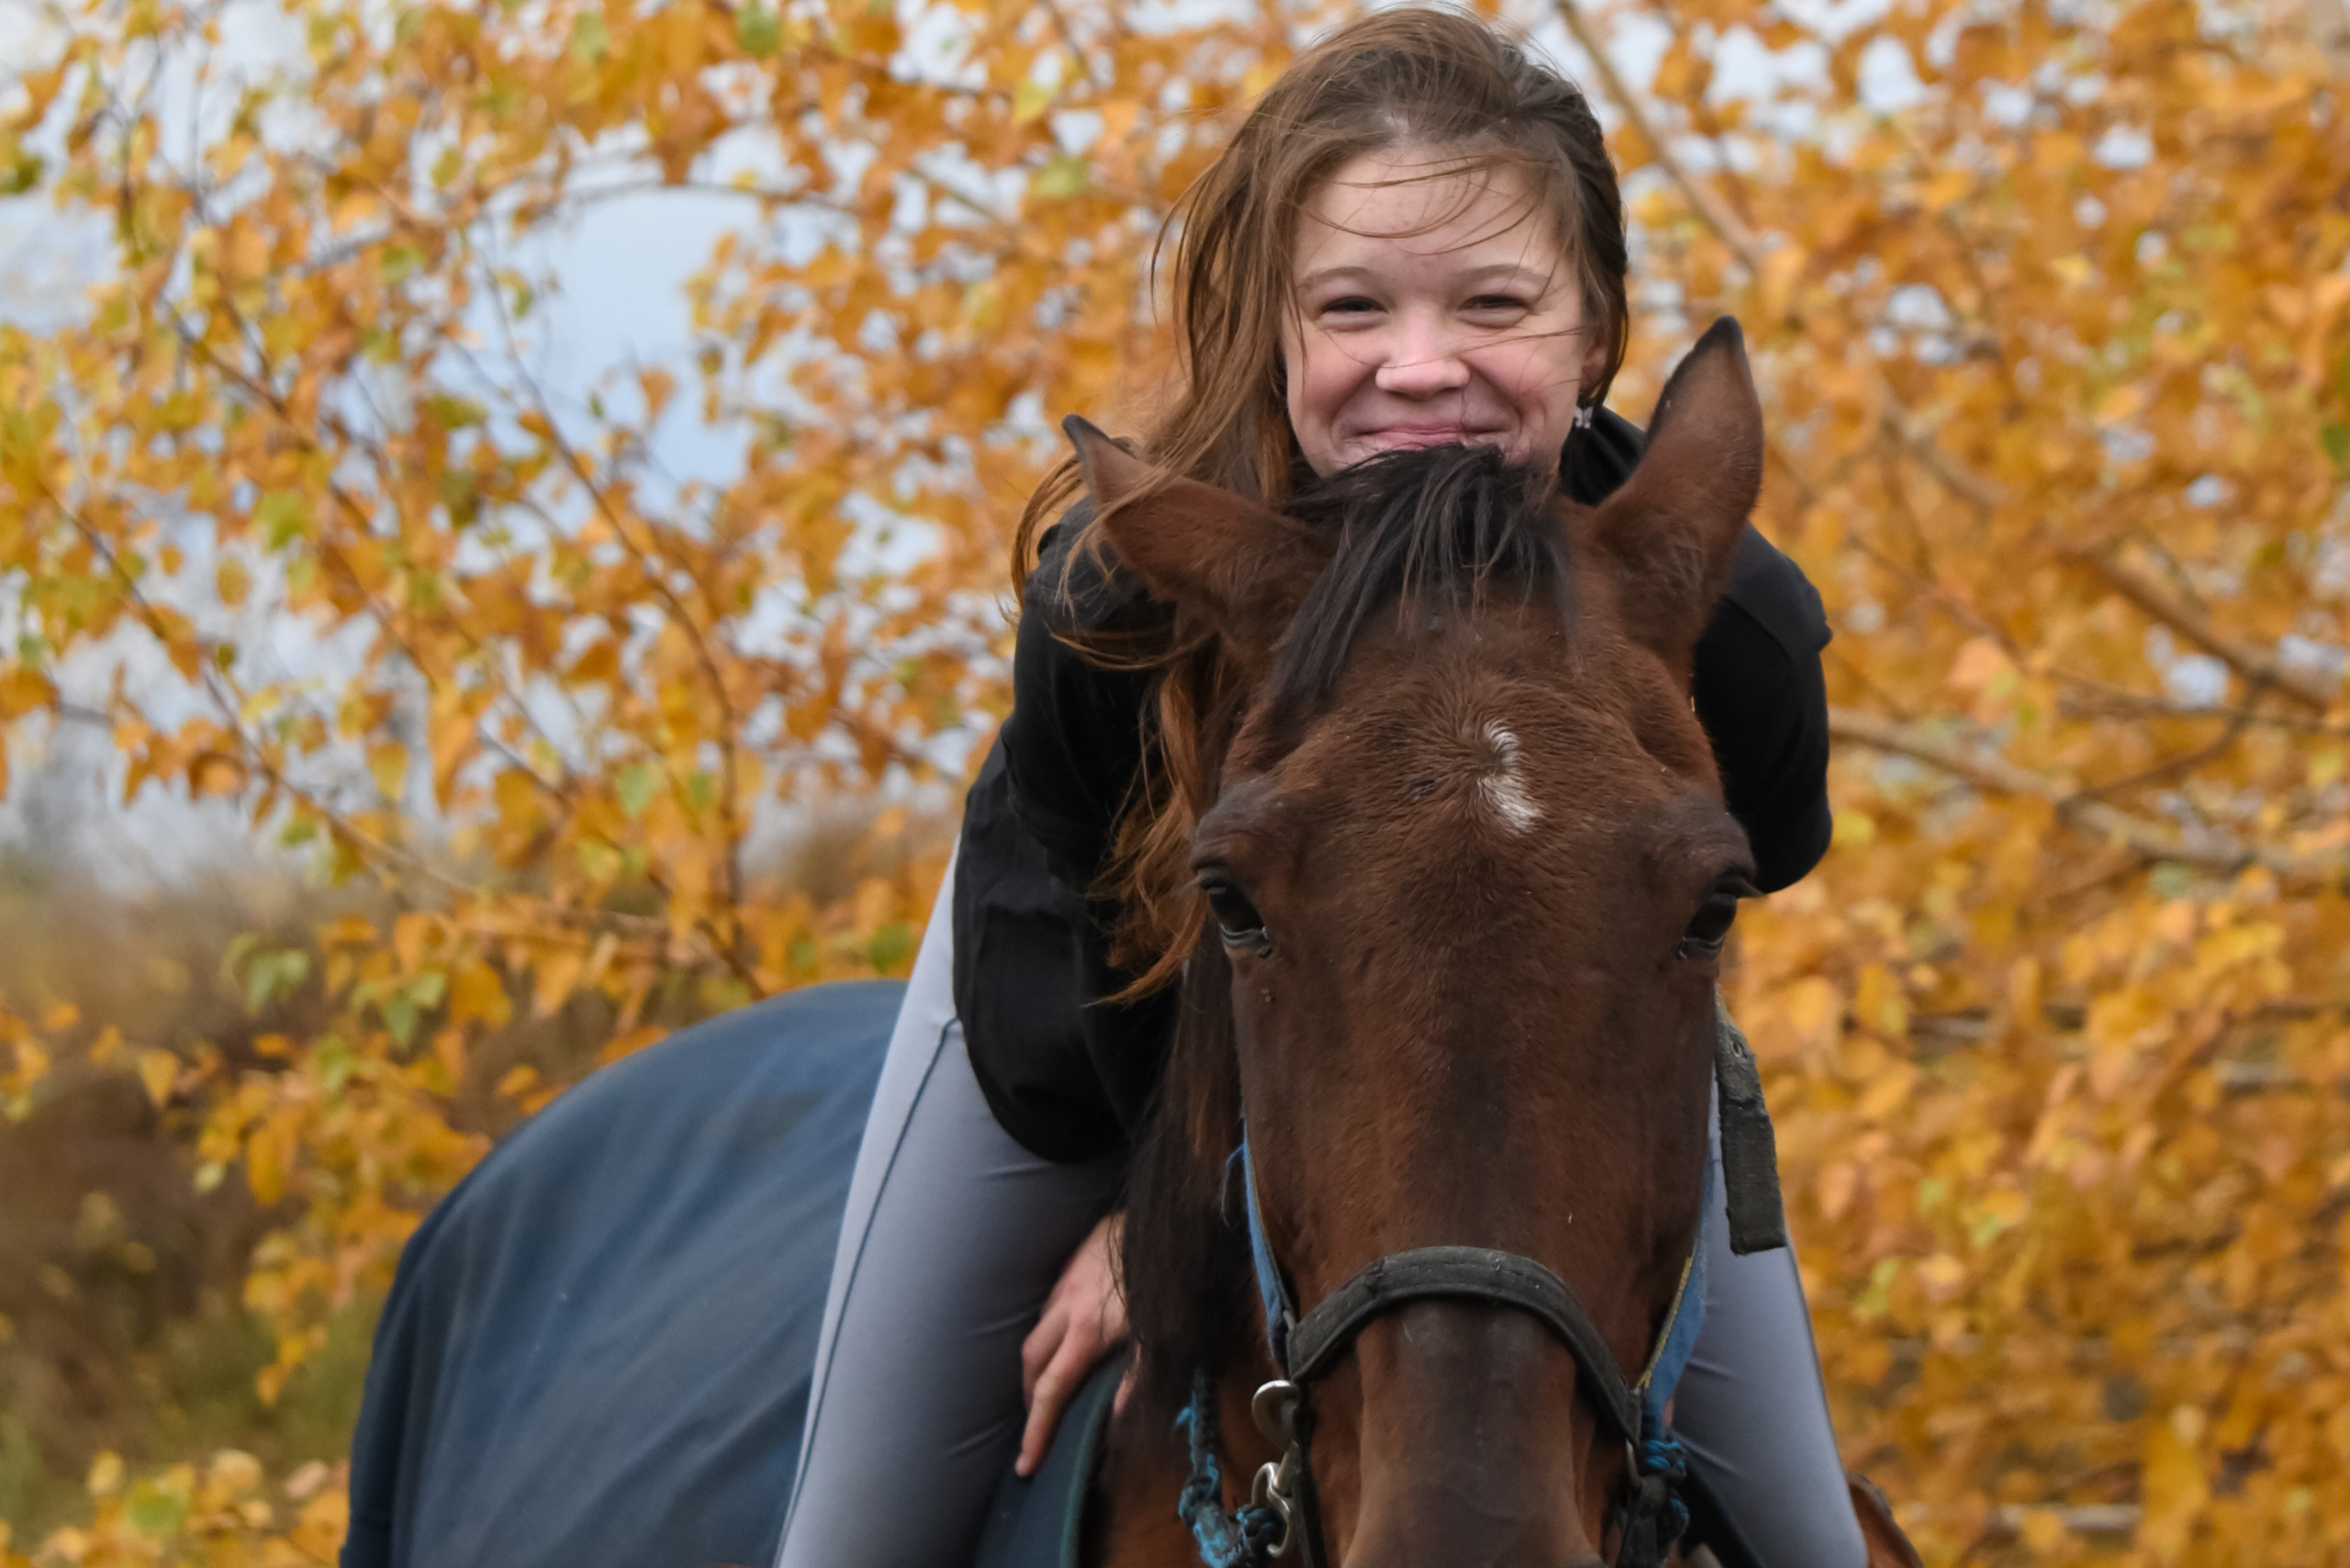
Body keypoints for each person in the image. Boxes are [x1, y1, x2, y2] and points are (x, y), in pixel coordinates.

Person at [774, 10, 1867, 1567]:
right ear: (1283, 334)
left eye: (1493, 303)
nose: (1420, 370)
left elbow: (1715, 889)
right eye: (1354, 307)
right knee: (852, 1537)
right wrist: (1160, 1237)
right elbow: (1078, 993)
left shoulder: (1733, 636)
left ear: (1596, 333)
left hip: (1550, 1019)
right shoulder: (1112, 611)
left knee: (1813, 1541)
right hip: (1092, 1008)